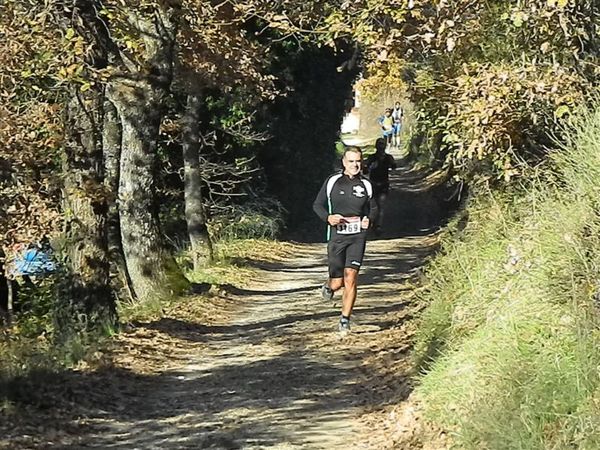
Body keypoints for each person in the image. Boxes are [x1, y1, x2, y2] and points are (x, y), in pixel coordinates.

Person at [313, 147, 378, 335]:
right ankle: (328, 286)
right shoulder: (333, 181)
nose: (355, 165)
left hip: (357, 236)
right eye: (351, 161)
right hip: (337, 236)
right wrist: (328, 218)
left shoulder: (366, 185)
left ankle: (345, 319)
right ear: (344, 162)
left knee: (351, 277)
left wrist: (369, 219)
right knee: (338, 281)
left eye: (358, 161)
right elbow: (317, 205)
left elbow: (373, 208)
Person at [364, 138, 397, 234]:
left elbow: (394, 166)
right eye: (380, 144)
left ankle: (378, 225)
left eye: (382, 144)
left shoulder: (388, 157)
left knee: (380, 206)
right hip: (373, 184)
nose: (381, 147)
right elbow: (365, 170)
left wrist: (391, 163)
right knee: (372, 206)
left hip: (383, 184)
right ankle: (374, 223)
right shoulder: (372, 158)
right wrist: (370, 167)